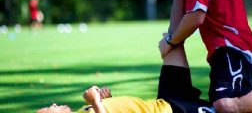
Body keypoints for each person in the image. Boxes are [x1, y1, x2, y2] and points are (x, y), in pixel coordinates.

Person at [37, 49, 214, 113]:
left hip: (162, 102)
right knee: (227, 108)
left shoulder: (79, 111)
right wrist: (97, 103)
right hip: (173, 111)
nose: (53, 104)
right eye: (48, 109)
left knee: (172, 43)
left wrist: (106, 101)